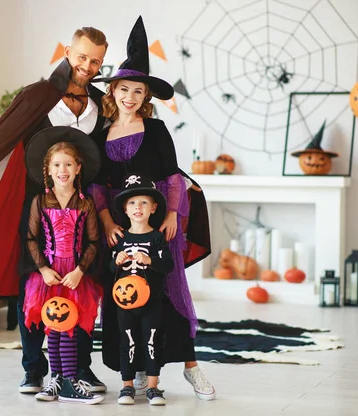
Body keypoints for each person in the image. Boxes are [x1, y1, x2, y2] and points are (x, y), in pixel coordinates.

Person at [0, 26, 108, 394]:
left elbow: (115, 152)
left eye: (96, 60)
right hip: (36, 208)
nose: (88, 65)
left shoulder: (100, 102)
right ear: (68, 52)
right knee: (35, 286)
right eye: (83, 56)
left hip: (82, 209)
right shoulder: (38, 95)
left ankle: (82, 369)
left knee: (84, 286)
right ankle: (33, 370)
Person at [89, 16, 216, 400]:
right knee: (126, 294)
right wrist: (108, 218)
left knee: (167, 291)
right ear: (113, 91)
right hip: (120, 226)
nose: (130, 96)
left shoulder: (157, 131)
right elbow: (97, 184)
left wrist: (174, 214)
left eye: (138, 91)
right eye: (123, 89)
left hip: (157, 220)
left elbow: (173, 177)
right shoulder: (100, 132)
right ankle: (138, 370)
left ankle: (191, 367)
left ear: (147, 96)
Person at [22, 127, 104, 404]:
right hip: (49, 272)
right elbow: (32, 238)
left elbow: (93, 241)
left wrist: (80, 271)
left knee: (69, 325)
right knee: (53, 327)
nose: (63, 169)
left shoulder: (86, 203)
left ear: (78, 168)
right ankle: (58, 380)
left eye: (68, 164)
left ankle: (68, 379)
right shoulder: (39, 201)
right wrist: (44, 269)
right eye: (57, 164)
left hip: (75, 273)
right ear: (48, 168)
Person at [110, 173, 174, 406]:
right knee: (127, 341)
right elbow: (109, 269)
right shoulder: (120, 238)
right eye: (132, 203)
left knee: (151, 340)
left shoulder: (157, 238)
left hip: (152, 301)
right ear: (125, 210)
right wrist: (115, 261)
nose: (138, 207)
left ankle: (153, 387)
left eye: (144, 202)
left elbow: (168, 265)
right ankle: (127, 386)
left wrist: (149, 261)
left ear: (153, 207)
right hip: (124, 302)